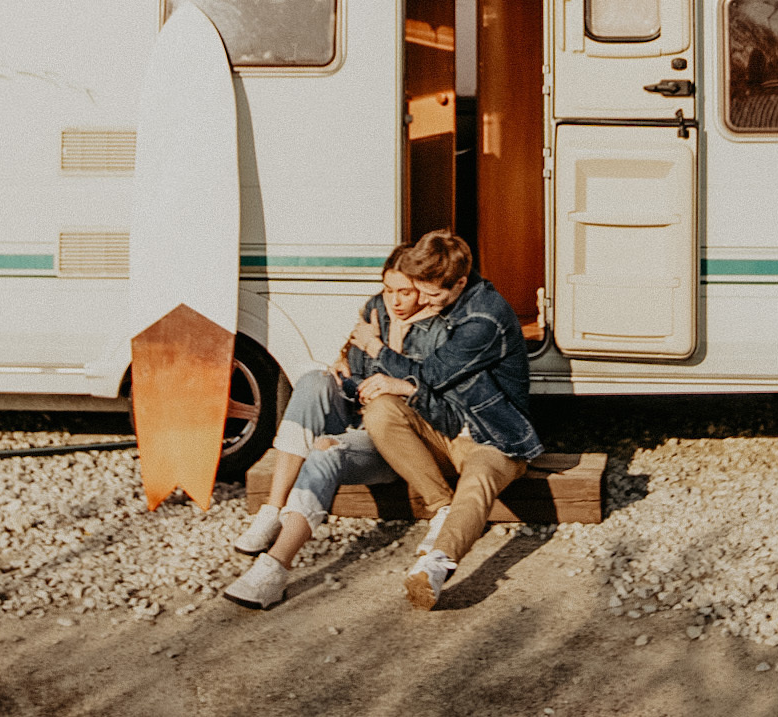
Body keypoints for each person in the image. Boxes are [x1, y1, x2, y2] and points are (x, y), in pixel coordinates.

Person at [220, 249, 450, 610]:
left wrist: (388, 357)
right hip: (359, 413)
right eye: (389, 290)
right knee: (313, 380)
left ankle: (275, 568)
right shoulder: (378, 309)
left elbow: (434, 398)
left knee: (328, 451)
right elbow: (355, 372)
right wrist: (345, 368)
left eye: (405, 292)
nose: (395, 301)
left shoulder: (439, 328)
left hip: (394, 439)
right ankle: (273, 509)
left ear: (422, 289)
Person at [357, 230, 541, 610]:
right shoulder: (443, 303)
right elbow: (415, 382)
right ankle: (440, 506)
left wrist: (376, 347)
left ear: (460, 282)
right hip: (447, 425)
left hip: (494, 435)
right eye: (418, 291)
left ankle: (435, 566)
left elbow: (432, 374)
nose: (421, 301)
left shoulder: (483, 317)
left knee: (477, 483)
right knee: (380, 409)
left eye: (431, 294)